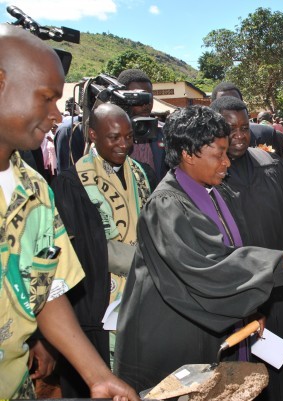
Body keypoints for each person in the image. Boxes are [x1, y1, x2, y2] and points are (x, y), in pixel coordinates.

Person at [114, 105, 283, 393]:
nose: (226, 163)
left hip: (204, 327)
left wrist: (249, 308)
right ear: (188, 154)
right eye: (218, 154)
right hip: (170, 339)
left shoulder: (209, 190)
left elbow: (231, 252)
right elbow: (208, 267)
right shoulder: (167, 205)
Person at [0, 24, 136, 400]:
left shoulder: (36, 190)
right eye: (46, 99)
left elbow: (49, 286)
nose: (57, 116)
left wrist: (97, 375)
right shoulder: (70, 182)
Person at [210, 96, 283, 401]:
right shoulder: (211, 178)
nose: (240, 135)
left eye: (245, 128)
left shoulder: (271, 164)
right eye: (230, 129)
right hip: (245, 288)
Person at [52, 103, 151, 396]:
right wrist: (144, 260)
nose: (124, 145)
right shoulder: (72, 182)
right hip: (98, 296)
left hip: (142, 291)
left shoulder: (141, 173)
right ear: (93, 134)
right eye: (114, 137)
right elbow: (81, 248)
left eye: (129, 136)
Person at [211, 82, 283, 157]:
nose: (239, 136)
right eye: (223, 101)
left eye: (235, 101)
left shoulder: (266, 135)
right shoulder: (202, 145)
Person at [117, 69, 167, 181]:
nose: (146, 103)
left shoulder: (165, 132)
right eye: (139, 96)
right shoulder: (111, 136)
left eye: (149, 96)